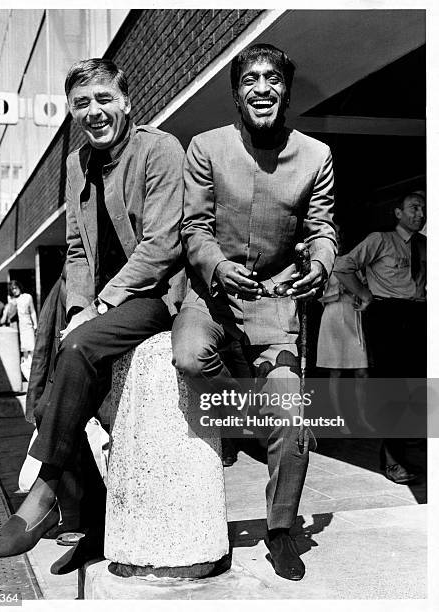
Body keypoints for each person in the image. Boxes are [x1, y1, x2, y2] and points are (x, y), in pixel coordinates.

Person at [0, 58, 185, 569]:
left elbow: (163, 245)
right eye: (81, 104)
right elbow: (75, 248)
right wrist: (77, 307)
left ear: (125, 101)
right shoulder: (76, 164)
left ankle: (46, 495)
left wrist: (97, 307)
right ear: (72, 112)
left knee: (76, 348)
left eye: (103, 99)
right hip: (96, 303)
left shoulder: (159, 150)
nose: (94, 112)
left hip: (155, 297)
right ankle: (93, 518)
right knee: (50, 397)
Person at [171, 43, 336, 581]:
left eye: (272, 79)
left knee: (289, 413)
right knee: (191, 357)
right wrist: (217, 267)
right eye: (250, 79)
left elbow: (322, 228)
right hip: (211, 295)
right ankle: (245, 420)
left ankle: (282, 529)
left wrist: (321, 261)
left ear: (285, 89)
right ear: (237, 91)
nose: (261, 88)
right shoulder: (206, 147)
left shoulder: (315, 156)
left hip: (275, 301)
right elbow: (192, 227)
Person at [334, 192, 426, 484]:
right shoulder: (380, 240)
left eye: (423, 209)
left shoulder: (426, 245)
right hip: (388, 315)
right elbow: (342, 266)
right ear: (398, 213)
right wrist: (364, 294)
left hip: (418, 315)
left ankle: (409, 444)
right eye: (414, 207)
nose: (420, 213)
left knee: (417, 384)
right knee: (392, 386)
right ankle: (392, 460)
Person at [316, 271, 374, 434]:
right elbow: (320, 298)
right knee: (336, 372)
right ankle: (339, 418)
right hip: (333, 316)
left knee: (362, 372)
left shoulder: (357, 265)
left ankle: (361, 417)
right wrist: (338, 291)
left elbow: (367, 292)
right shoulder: (329, 266)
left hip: (353, 315)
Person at [5, 280, 37, 378]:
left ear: (19, 287)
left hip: (27, 326)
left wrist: (35, 324)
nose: (14, 291)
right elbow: (9, 315)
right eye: (12, 289)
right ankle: (25, 373)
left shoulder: (27, 297)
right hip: (16, 328)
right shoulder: (11, 300)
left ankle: (32, 372)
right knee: (22, 351)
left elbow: (32, 311)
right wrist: (11, 304)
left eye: (15, 288)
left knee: (31, 348)